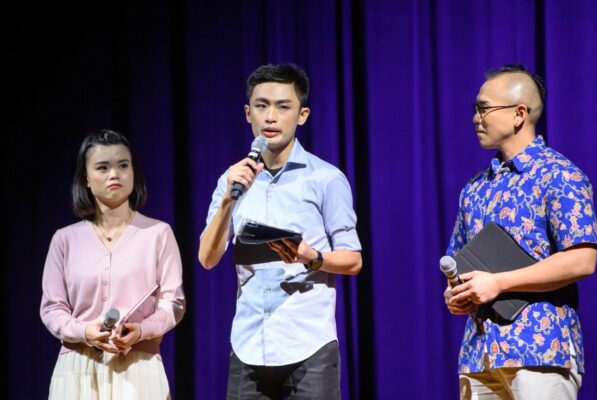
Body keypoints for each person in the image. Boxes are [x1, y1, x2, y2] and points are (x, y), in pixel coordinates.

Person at [198, 63, 362, 399]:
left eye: (283, 107)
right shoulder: (232, 180)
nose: (270, 117)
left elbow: (353, 260)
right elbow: (207, 258)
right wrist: (228, 199)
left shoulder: (325, 178)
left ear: (302, 115)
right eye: (261, 106)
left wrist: (311, 257)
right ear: (248, 113)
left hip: (309, 345)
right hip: (248, 343)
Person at [444, 64, 597, 399]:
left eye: (484, 108)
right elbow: (459, 260)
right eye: (475, 109)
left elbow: (583, 260)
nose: (475, 118)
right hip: (479, 355)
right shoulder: (475, 187)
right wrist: (458, 294)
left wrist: (498, 282)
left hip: (539, 351)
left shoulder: (559, 175)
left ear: (519, 114)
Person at [40, 129, 186, 399]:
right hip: (78, 370)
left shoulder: (158, 233)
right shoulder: (65, 239)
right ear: (86, 178)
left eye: (123, 165)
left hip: (139, 368)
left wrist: (140, 331)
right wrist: (84, 331)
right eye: (103, 167)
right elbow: (52, 308)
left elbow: (173, 304)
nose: (114, 174)